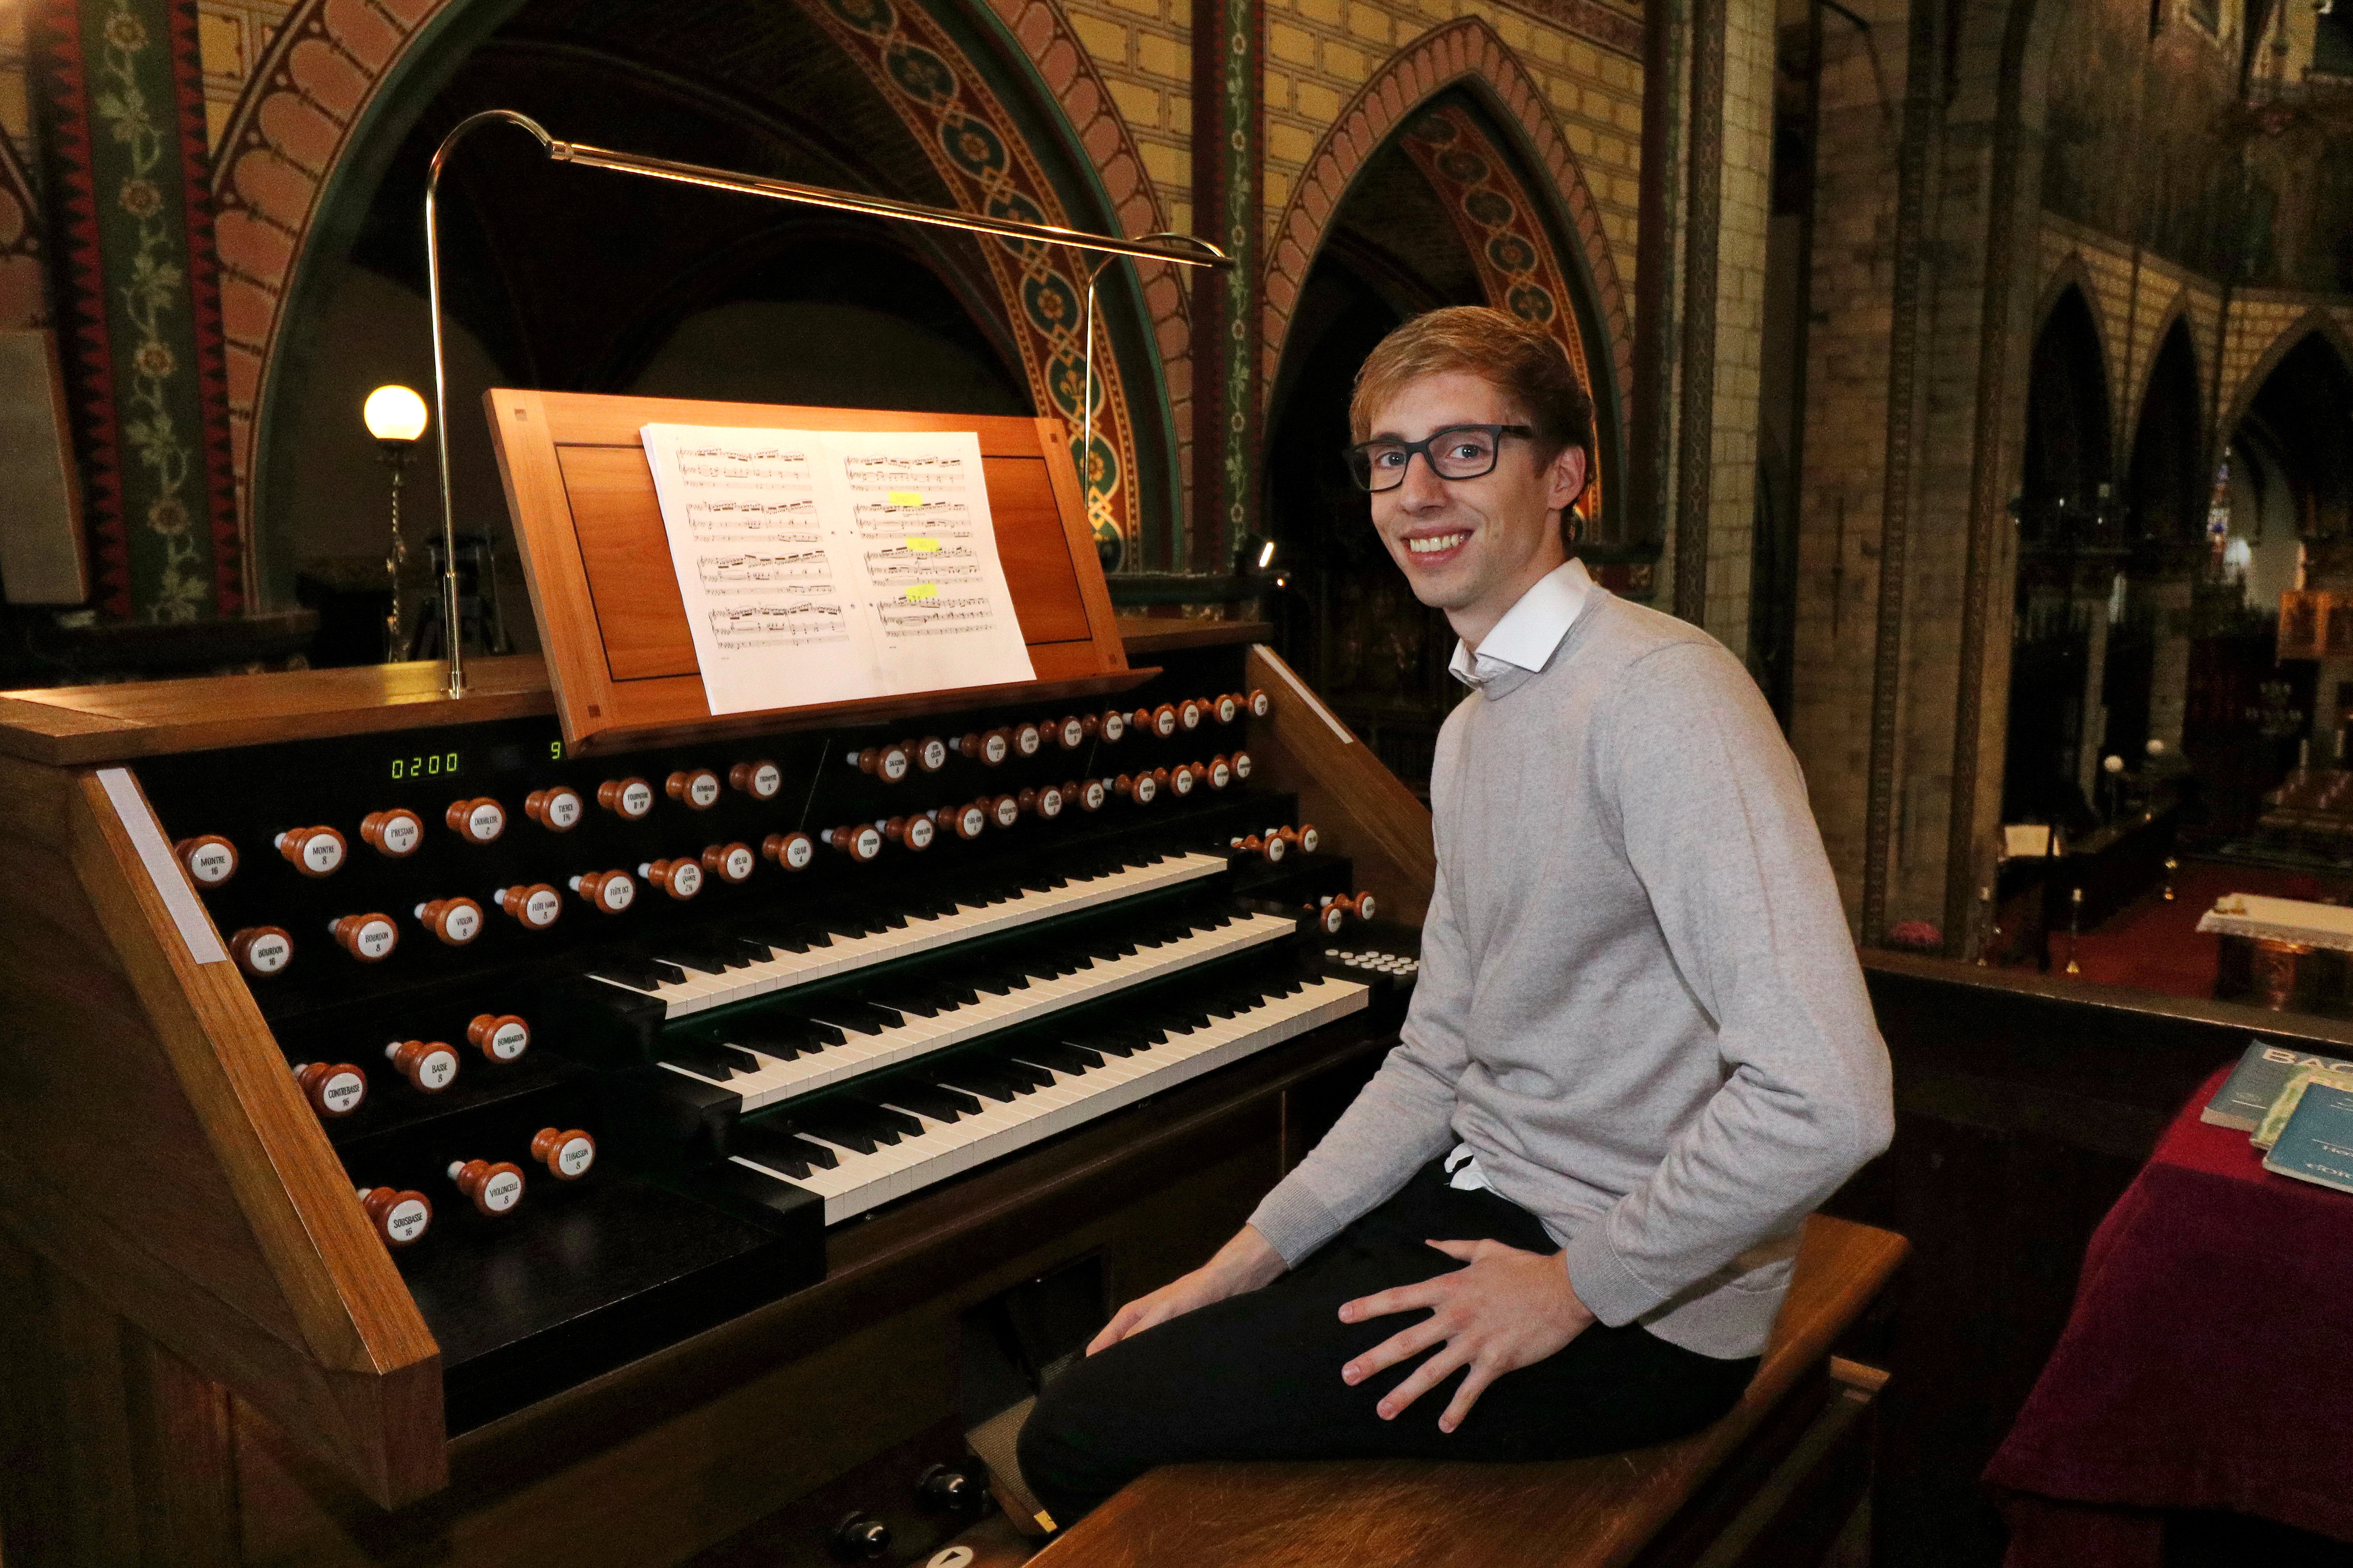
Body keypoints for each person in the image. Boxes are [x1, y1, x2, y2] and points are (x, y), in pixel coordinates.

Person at [1015, 305, 1894, 1526]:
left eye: (1466, 449)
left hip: (1641, 1305)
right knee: (1136, 1369)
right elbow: (1440, 1052)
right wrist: (1247, 1257)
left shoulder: (1662, 698)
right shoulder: (1479, 722)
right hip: (1496, 1201)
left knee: (1075, 1436)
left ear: (1566, 476)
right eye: (1389, 456)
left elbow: (1833, 1099)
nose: (1417, 489)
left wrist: (1575, 1288)